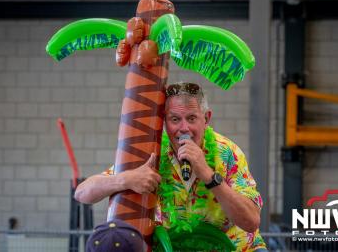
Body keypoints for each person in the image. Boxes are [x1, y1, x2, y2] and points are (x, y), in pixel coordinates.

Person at [75, 82, 267, 251]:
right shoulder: (152, 153)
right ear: (164, 122)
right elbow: (82, 193)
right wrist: (126, 179)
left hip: (235, 248)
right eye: (175, 119)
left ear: (206, 118)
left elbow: (251, 221)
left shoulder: (227, 153)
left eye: (191, 118)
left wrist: (208, 175)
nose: (184, 128)